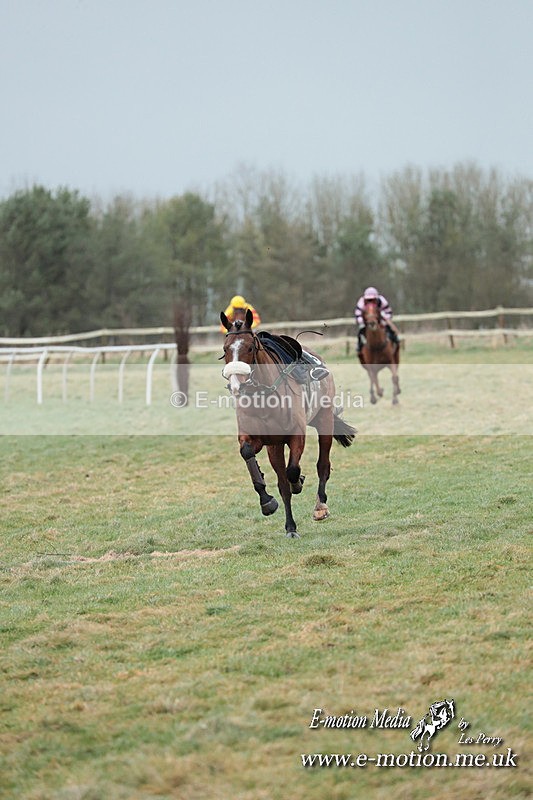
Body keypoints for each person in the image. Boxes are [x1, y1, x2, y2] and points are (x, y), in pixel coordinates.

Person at [355, 286, 400, 352]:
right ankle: (359, 346)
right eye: (368, 299)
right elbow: (357, 315)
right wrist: (364, 322)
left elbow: (389, 312)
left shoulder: (382, 301)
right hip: (366, 321)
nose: (370, 301)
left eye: (373, 299)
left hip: (380, 320)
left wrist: (384, 319)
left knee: (389, 328)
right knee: (361, 330)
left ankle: (395, 341)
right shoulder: (361, 302)